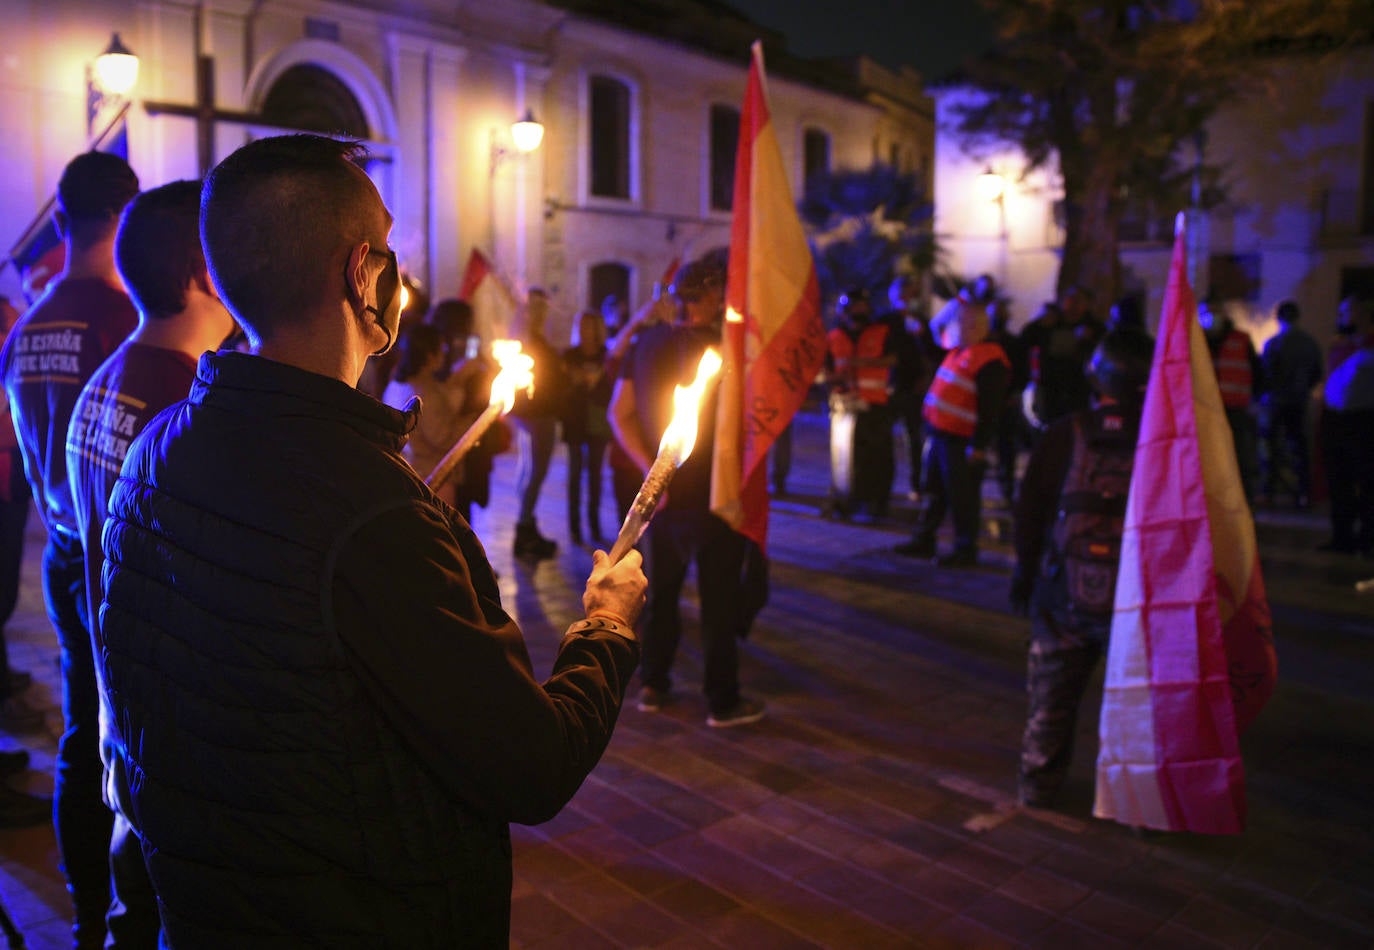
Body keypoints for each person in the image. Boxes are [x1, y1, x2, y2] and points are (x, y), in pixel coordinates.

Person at [97, 134, 647, 946]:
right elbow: (529, 764)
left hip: (203, 906)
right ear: (364, 276)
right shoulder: (374, 513)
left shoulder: (160, 444)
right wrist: (605, 626)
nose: (401, 279)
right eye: (387, 253)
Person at [66, 179, 237, 947]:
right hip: (177, 729)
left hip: (124, 711)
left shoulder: (99, 386)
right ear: (206, 272)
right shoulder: (187, 409)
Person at [0, 149, 140, 948]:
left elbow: (23, 453)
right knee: (125, 740)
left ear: (58, 221)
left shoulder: (28, 327)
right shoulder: (129, 323)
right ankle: (123, 915)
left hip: (60, 552)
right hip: (113, 561)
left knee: (81, 736)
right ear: (130, 219)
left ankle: (88, 917)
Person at [609, 254, 766, 728]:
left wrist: (653, 476)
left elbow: (621, 415)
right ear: (712, 295)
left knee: (662, 594)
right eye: (719, 290)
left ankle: (654, 685)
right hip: (714, 496)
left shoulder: (647, 342)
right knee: (718, 599)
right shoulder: (728, 351)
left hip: (668, 499)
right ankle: (722, 700)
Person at [1010, 329, 1154, 808]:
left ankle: (1038, 786)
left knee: (1050, 701)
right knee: (1138, 708)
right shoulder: (1165, 441)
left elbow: (1029, 512)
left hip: (1062, 596)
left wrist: (1024, 575)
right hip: (1138, 602)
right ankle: (1135, 805)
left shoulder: (1064, 434)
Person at [894, 300, 1009, 567]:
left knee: (963, 498)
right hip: (941, 436)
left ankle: (965, 550)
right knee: (935, 491)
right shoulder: (961, 350)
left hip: (961, 441)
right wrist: (925, 329)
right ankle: (924, 539)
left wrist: (978, 446)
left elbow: (990, 409)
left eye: (960, 322)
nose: (955, 327)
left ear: (976, 325)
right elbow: (934, 344)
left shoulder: (990, 360)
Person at [428, 298, 507, 527]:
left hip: (470, 452)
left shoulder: (467, 359)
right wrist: (459, 378)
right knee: (453, 517)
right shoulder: (436, 362)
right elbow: (439, 404)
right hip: (448, 450)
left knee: (463, 513)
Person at [381, 321, 476, 507]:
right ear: (429, 355)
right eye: (442, 348)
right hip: (434, 477)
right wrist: (472, 422)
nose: (445, 353)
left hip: (408, 474)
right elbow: (442, 437)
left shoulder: (397, 384)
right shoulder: (425, 393)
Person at [826, 287, 897, 520]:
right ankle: (846, 501)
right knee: (845, 460)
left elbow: (895, 358)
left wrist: (863, 362)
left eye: (863, 307)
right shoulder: (834, 336)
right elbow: (825, 369)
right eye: (855, 308)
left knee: (877, 459)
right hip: (844, 407)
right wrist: (832, 378)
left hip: (875, 406)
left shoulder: (881, 331)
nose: (859, 312)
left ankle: (876, 503)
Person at [0, 295, 37, 733]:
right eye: (6, 326)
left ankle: (5, 678)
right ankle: (6, 701)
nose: (13, 335)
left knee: (5, 592)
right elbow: (12, 428)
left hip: (11, 491)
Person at [509, 286, 566, 559]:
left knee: (531, 472)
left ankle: (527, 525)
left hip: (537, 415)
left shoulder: (534, 340)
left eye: (545, 308)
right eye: (537, 308)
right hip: (536, 416)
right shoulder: (527, 343)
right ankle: (524, 529)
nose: (542, 313)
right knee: (534, 473)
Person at [1319, 302, 1374, 555]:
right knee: (1339, 482)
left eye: (1346, 311)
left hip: (1363, 421)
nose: (1341, 317)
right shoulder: (1340, 345)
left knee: (1366, 483)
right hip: (1336, 420)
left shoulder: (1368, 345)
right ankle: (1342, 538)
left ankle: (1367, 539)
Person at [1260, 300, 1323, 508]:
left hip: (1276, 402)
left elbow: (1264, 374)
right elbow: (1317, 373)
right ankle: (1303, 494)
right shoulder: (1310, 344)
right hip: (1299, 401)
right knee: (1300, 448)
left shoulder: (1274, 344)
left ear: (1278, 318)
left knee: (1272, 446)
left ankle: (1270, 492)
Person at [1020, 285, 1106, 429]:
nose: (1073, 304)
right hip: (1050, 387)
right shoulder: (1050, 323)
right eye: (1070, 299)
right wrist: (1040, 323)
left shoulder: (1095, 328)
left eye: (1079, 300)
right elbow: (1025, 341)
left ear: (1087, 304)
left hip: (1079, 388)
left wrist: (1090, 339)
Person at [1201, 302, 1262, 505]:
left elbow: (1258, 374)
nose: (1211, 318)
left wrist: (1255, 402)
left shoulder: (1241, 340)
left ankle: (1243, 507)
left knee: (1240, 462)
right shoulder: (1196, 341)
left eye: (1214, 312)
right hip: (1204, 413)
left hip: (1236, 411)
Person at [563, 310, 614, 545]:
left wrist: (591, 380)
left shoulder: (606, 355)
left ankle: (594, 525)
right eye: (582, 326)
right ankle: (574, 528)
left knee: (595, 475)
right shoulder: (570, 355)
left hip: (597, 422)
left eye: (590, 327)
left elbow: (609, 388)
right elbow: (563, 387)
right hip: (574, 421)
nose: (586, 331)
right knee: (574, 475)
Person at [886, 274, 937, 500]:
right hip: (890, 386)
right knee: (884, 439)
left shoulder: (920, 322)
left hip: (913, 387)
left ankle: (916, 484)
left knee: (913, 437)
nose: (905, 299)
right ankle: (884, 485)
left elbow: (930, 351)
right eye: (901, 294)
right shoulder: (886, 320)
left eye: (908, 294)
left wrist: (925, 377)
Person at [987, 298, 1030, 505]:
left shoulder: (1014, 343)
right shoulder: (982, 343)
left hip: (1006, 402)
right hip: (982, 403)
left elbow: (1023, 371)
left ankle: (1006, 488)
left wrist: (1014, 394)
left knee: (1006, 446)